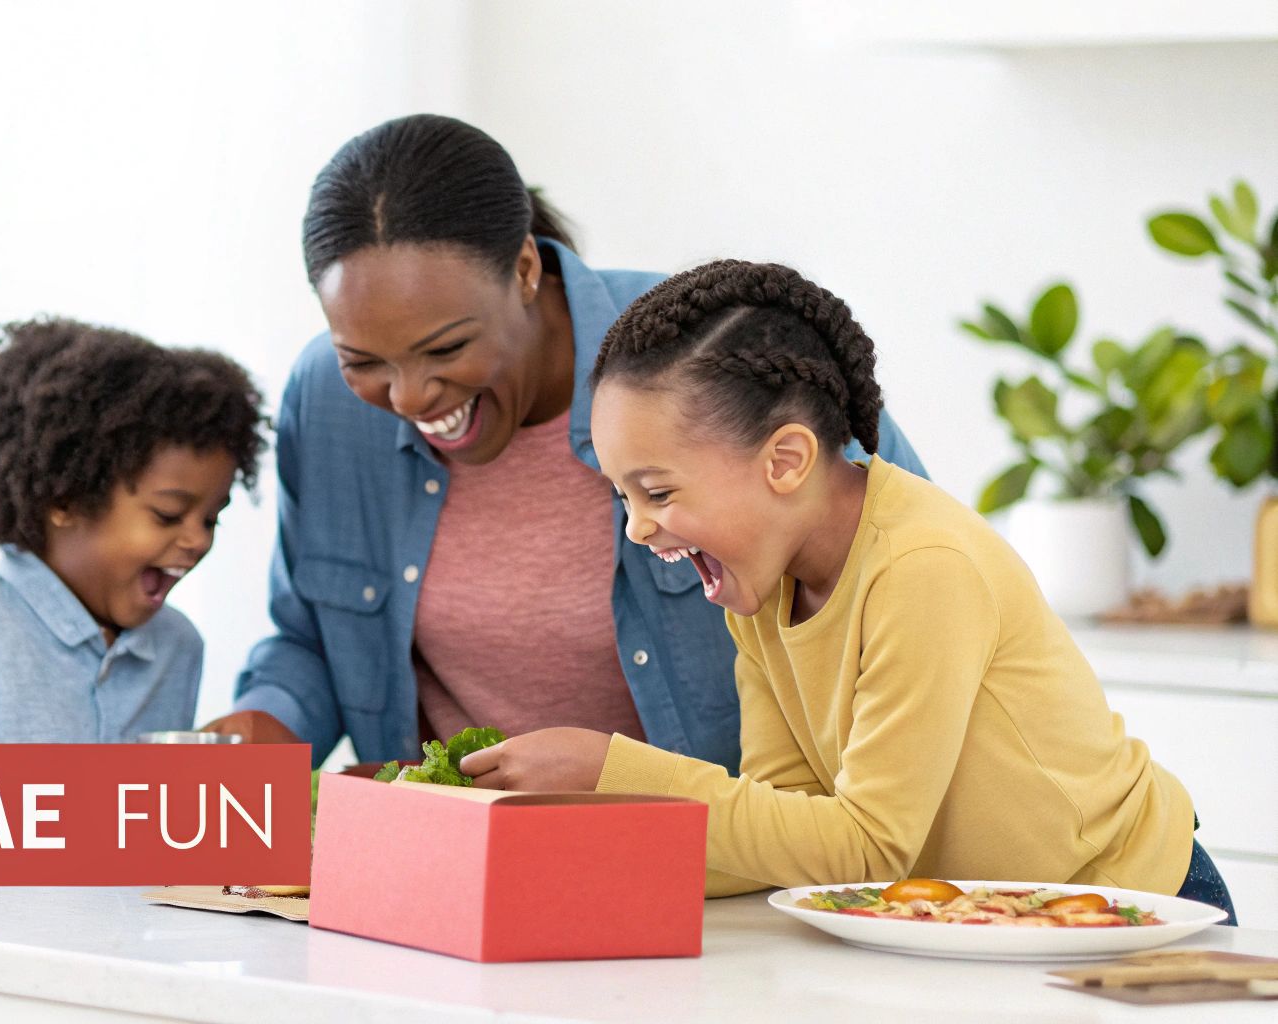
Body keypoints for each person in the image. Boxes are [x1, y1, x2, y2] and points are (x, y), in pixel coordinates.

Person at [461, 259, 1236, 920]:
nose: (636, 529)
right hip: (979, 919)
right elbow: (786, 832)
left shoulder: (922, 567)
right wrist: (593, 839)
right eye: (621, 497)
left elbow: (869, 844)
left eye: (657, 493)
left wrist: (615, 772)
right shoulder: (761, 587)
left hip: (1124, 903)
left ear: (787, 461)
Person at [204, 114, 926, 768]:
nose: (410, 397)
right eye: (365, 361)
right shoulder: (326, 402)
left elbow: (917, 594)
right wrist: (269, 720)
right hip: (452, 867)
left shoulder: (720, 356)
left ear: (524, 269)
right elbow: (311, 642)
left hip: (743, 871)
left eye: (445, 349)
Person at [0, 317, 267, 743]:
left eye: (211, 518)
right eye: (168, 515)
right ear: (66, 498)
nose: (198, 540)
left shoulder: (176, 648)